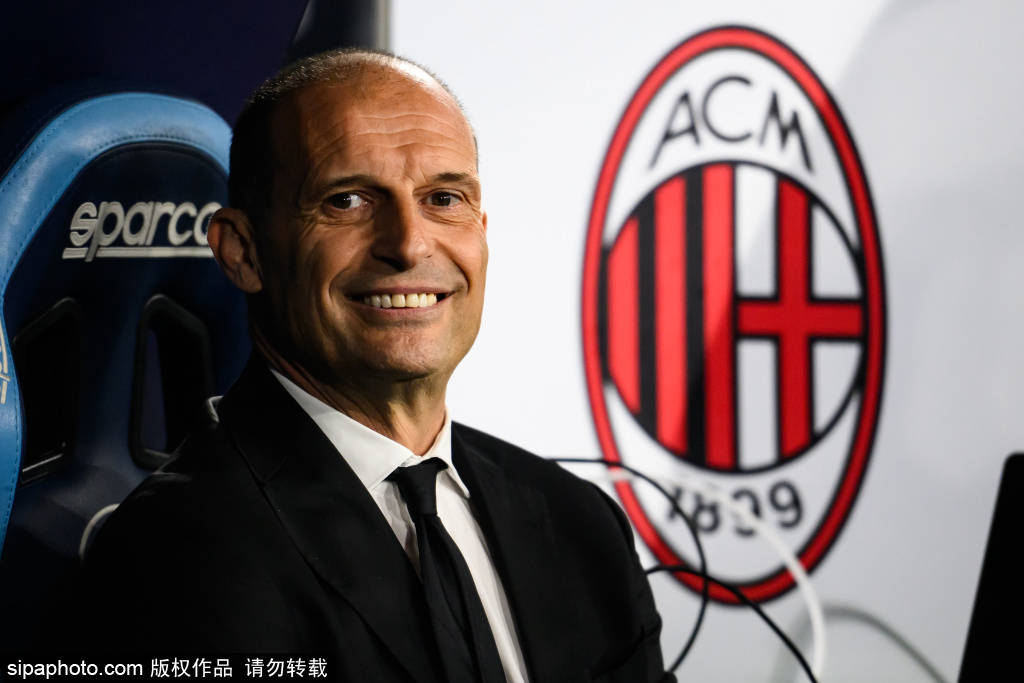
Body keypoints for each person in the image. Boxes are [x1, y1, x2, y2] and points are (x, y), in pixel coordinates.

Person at [75, 49, 673, 683]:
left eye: (444, 198)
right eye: (348, 201)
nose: (410, 243)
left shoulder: (580, 523)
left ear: (481, 230)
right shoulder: (177, 551)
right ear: (244, 251)